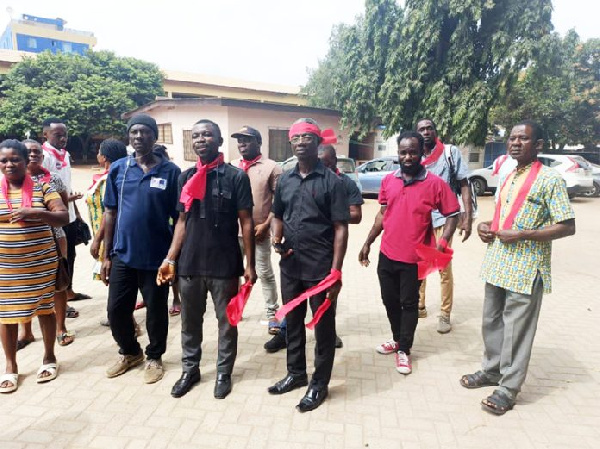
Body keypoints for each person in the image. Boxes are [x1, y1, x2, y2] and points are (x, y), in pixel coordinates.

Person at [460, 121, 575, 415]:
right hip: (498, 262)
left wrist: (524, 234)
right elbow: (504, 217)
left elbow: (567, 226)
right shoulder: (509, 175)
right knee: (491, 322)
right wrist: (487, 227)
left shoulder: (550, 179)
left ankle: (509, 388)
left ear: (537, 145)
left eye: (523, 139)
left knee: (517, 330)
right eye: (511, 138)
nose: (514, 143)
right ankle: (491, 371)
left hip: (526, 267)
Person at [157, 119, 256, 400]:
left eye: (207, 135)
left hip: (224, 264)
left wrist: (249, 264)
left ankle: (224, 372)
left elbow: (246, 222)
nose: (201, 140)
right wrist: (171, 258)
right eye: (196, 136)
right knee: (190, 322)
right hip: (190, 263)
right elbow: (181, 220)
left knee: (227, 322)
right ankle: (191, 369)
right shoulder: (185, 176)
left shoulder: (236, 177)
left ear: (219, 141)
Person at [359, 131, 459, 375]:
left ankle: (404, 349)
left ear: (420, 152)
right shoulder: (388, 181)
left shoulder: (434, 183)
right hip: (387, 253)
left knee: (409, 303)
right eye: (403, 152)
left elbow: (453, 213)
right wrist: (368, 242)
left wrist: (443, 241)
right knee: (388, 300)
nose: (408, 156)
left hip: (414, 259)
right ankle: (397, 338)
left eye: (413, 151)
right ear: (398, 153)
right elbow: (383, 214)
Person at [267, 118, 349, 412]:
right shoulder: (285, 180)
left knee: (324, 328)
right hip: (290, 265)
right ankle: (296, 373)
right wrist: (277, 236)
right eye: (296, 138)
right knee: (293, 322)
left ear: (317, 143)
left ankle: (319, 384)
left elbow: (341, 227)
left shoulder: (332, 182)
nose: (301, 142)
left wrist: (336, 271)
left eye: (306, 137)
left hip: (321, 269)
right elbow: (277, 214)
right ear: (291, 144)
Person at [101, 114, 181, 384]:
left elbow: (179, 217)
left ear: (154, 136)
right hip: (123, 253)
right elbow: (110, 212)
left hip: (156, 257)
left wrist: (172, 257)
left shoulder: (170, 172)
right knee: (115, 310)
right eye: (134, 132)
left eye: (144, 132)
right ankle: (130, 352)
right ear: (129, 137)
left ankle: (155, 357)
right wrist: (106, 255)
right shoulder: (119, 169)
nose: (138, 137)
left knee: (156, 311)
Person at [0, 139, 69, 393]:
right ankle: (10, 366)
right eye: (4, 160)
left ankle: (49, 357)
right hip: (4, 268)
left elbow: (63, 216)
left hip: (40, 264)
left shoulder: (43, 187)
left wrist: (36, 213)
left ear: (25, 160)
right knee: (5, 314)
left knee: (44, 309)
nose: (9, 164)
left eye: (14, 159)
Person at [415, 118, 473, 333]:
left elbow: (464, 183)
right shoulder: (414, 155)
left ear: (435, 131)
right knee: (418, 265)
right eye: (421, 129)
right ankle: (419, 306)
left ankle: (445, 313)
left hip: (444, 219)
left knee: (443, 268)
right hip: (421, 220)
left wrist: (467, 215)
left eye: (429, 128)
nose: (426, 132)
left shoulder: (449, 152)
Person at [17, 139, 74, 349]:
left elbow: (62, 206)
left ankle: (60, 328)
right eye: (28, 152)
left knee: (58, 283)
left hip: (54, 235)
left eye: (37, 152)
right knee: (24, 285)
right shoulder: (9, 180)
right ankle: (27, 332)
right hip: (22, 241)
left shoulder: (53, 179)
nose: (33, 155)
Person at [231, 125, 282, 334]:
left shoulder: (272, 167)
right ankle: (236, 309)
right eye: (239, 140)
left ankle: (273, 314)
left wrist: (267, 223)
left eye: (247, 139)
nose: (242, 144)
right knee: (233, 272)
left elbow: (279, 200)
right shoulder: (232, 166)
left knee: (264, 272)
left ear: (258, 142)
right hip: (233, 232)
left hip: (258, 232)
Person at [41, 118, 88, 306]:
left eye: (65, 135)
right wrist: (66, 200)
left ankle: (69, 291)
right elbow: (45, 190)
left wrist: (76, 212)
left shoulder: (64, 155)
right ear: (45, 134)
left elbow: (66, 187)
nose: (63, 138)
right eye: (57, 135)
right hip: (54, 217)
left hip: (67, 215)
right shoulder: (44, 156)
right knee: (58, 257)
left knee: (70, 255)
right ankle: (58, 302)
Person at [85, 139, 129, 327]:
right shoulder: (108, 176)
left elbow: (108, 211)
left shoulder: (112, 178)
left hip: (109, 237)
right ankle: (120, 315)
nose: (97, 155)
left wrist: (98, 239)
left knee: (113, 277)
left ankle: (124, 318)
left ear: (103, 157)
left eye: (99, 152)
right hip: (105, 235)